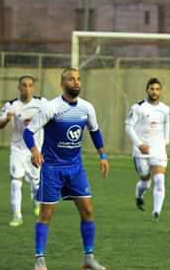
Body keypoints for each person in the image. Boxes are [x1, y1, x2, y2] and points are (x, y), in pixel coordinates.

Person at [23, 68, 109, 270]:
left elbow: (95, 131)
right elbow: (28, 132)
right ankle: (40, 260)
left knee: (88, 210)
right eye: (71, 79)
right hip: (52, 168)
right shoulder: (51, 108)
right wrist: (35, 150)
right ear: (62, 84)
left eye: (78, 79)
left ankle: (88, 258)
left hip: (75, 168)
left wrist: (103, 155)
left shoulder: (87, 108)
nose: (76, 82)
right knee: (46, 214)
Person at [0, 75, 46, 227]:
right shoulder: (12, 105)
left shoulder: (42, 103)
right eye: (24, 85)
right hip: (18, 149)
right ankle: (17, 215)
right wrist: (6, 118)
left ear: (34, 87)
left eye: (30, 85)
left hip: (35, 150)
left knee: (36, 183)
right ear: (19, 87)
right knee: (15, 181)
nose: (27, 88)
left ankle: (37, 203)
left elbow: (54, 116)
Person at [125, 78, 170, 221]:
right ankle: (139, 195)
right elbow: (128, 126)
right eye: (152, 89)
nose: (154, 92)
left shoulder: (165, 109)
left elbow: (166, 126)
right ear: (147, 90)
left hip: (158, 150)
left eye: (157, 89)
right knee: (145, 181)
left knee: (159, 180)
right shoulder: (138, 108)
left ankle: (156, 213)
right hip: (141, 152)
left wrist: (165, 142)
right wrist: (139, 144)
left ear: (160, 91)